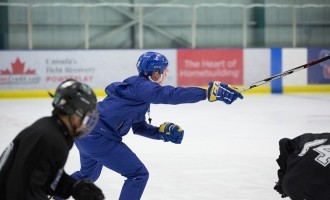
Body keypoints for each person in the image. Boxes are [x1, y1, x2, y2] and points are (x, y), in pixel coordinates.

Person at [70, 51, 244, 200]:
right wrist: (207, 93)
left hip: (85, 132)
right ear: (154, 73)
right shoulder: (142, 87)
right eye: (164, 71)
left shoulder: (138, 91)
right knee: (138, 174)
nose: (166, 75)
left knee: (87, 175)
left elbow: (139, 127)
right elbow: (169, 95)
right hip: (99, 136)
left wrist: (161, 133)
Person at [0, 79, 105, 200]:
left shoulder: (52, 130)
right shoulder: (49, 139)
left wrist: (74, 186)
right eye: (85, 116)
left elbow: (43, 175)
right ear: (73, 111)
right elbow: (24, 191)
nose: (85, 123)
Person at [274, 132, 330, 200]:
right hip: (318, 187)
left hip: (291, 181)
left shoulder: (316, 137)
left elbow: (284, 143)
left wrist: (282, 179)